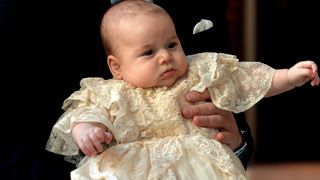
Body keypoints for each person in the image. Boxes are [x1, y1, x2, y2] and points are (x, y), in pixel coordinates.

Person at [45, 1, 319, 179]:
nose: (165, 57)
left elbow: (247, 78)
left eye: (172, 45)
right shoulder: (111, 91)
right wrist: (87, 131)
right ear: (116, 67)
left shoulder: (196, 70)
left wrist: (290, 76)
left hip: (200, 168)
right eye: (149, 52)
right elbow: (84, 113)